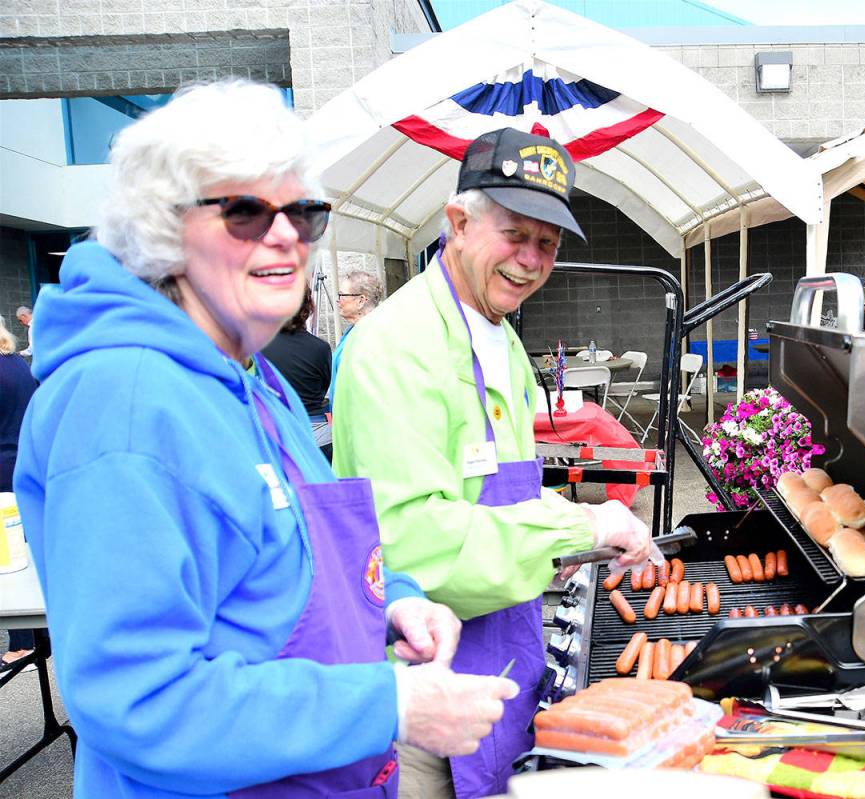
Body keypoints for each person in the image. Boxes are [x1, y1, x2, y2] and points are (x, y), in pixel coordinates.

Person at [13, 80, 517, 799]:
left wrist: (395, 599)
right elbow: (142, 701)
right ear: (163, 227)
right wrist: (390, 703)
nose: (285, 234)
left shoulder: (252, 375)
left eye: (302, 212)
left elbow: (300, 561)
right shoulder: (122, 404)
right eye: (247, 211)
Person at [333, 128, 653, 799]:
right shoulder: (394, 346)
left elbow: (501, 497)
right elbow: (415, 543)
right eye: (514, 234)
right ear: (458, 222)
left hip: (505, 654)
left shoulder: (504, 341)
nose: (530, 259)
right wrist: (578, 529)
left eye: (547, 243)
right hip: (425, 682)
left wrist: (577, 538)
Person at [0, 314, 39, 673]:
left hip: (3, 468)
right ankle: (31, 642)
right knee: (21, 554)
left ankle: (22, 646)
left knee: (9, 561)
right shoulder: (16, 364)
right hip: (21, 463)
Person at [261, 284, 333, 461]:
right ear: (307, 306)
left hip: (273, 433)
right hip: (316, 436)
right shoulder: (320, 348)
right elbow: (323, 386)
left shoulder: (256, 347)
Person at [328, 268, 384, 408]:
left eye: (342, 295)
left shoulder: (372, 335)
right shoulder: (353, 331)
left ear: (361, 300)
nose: (337, 300)